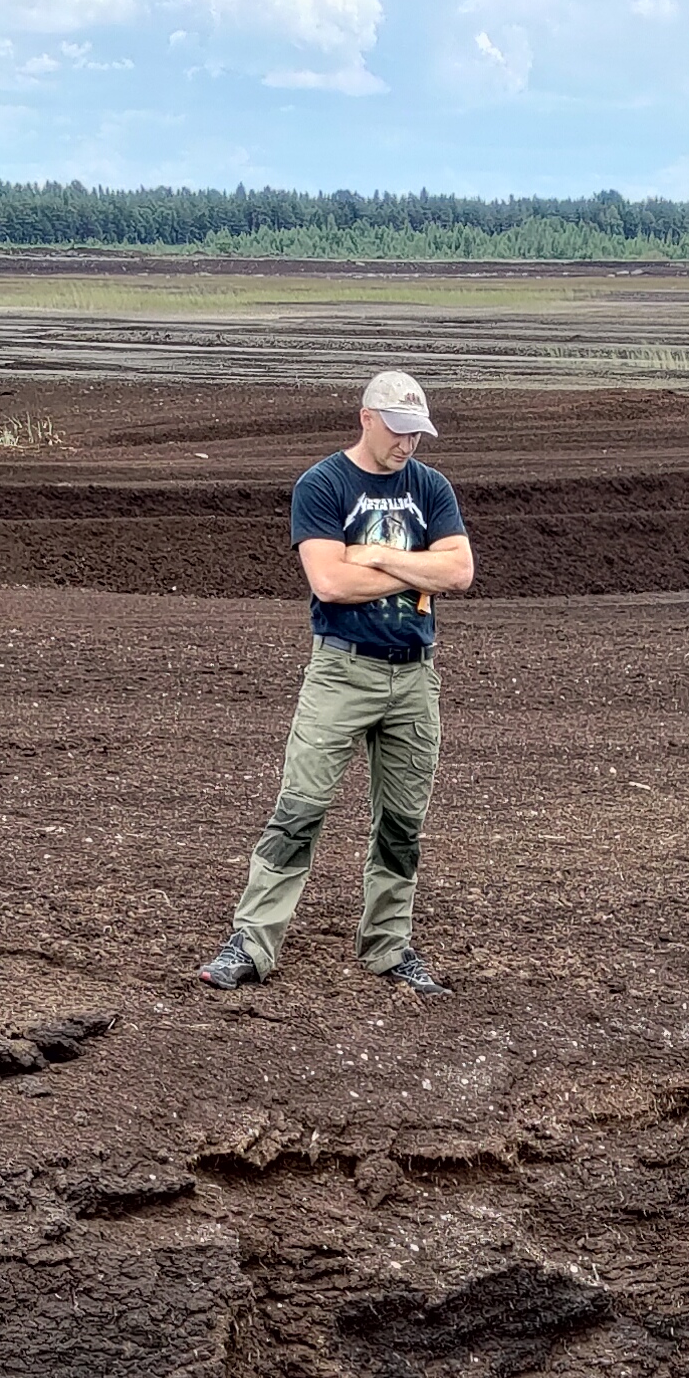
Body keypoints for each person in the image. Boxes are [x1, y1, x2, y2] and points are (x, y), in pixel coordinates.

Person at [201, 372, 475, 994]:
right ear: (367, 418)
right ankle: (251, 943)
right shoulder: (323, 484)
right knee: (300, 809)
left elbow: (459, 571)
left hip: (414, 675)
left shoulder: (430, 486)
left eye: (418, 434)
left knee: (403, 821)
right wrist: (417, 571)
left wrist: (374, 556)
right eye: (400, 432)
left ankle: (389, 947)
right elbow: (330, 584)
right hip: (341, 671)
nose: (409, 445)